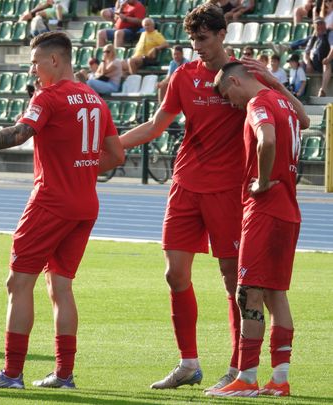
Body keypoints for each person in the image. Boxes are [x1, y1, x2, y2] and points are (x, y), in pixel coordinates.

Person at [117, 3, 309, 393]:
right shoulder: (183, 76)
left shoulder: (246, 76)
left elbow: (297, 118)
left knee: (235, 281)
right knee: (174, 274)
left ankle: (238, 369)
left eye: (203, 39)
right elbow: (156, 125)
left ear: (223, 34)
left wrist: (274, 82)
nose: (198, 47)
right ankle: (188, 363)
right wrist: (110, 147)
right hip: (185, 185)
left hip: (230, 191)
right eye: (193, 40)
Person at [0, 31, 124, 389]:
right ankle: (64, 374)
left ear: (54, 60)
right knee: (60, 287)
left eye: (35, 62)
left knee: (18, 283)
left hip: (50, 202)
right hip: (85, 203)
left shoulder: (48, 96)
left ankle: (12, 373)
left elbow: (19, 134)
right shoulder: (95, 99)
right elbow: (116, 155)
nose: (32, 69)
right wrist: (79, 169)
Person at [206, 61, 309, 397]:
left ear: (236, 82)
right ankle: (280, 379)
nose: (232, 104)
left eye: (228, 95)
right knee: (275, 294)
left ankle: (246, 377)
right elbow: (306, 120)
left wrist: (262, 181)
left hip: (264, 209)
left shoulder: (258, 104)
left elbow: (267, 140)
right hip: (288, 210)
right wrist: (276, 84)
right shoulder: (283, 102)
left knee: (247, 290)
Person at [304, 17, 333, 96]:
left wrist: (328, 58)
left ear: (325, 25)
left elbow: (332, 48)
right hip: (316, 63)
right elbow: (306, 53)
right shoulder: (313, 38)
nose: (320, 26)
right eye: (317, 24)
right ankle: (301, 92)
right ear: (314, 26)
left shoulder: (329, 34)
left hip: (328, 61)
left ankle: (322, 90)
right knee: (299, 64)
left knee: (326, 64)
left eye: (321, 23)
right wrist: (308, 63)